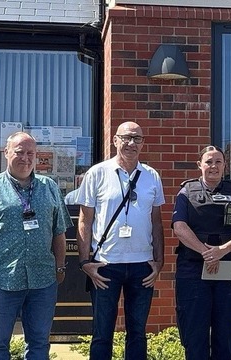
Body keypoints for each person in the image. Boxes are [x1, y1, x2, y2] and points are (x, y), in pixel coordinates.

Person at [0, 131, 71, 360]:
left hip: (43, 279)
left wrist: (60, 267)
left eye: (31, 153)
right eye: (19, 152)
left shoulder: (49, 187)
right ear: (6, 152)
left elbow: (59, 231)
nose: (25, 158)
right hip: (1, 278)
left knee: (39, 343)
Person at [72, 121, 165, 360]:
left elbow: (156, 221)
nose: (132, 143)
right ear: (115, 140)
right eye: (126, 137)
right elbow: (84, 220)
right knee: (102, 333)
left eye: (137, 139)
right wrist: (85, 262)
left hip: (142, 265)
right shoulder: (97, 173)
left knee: (138, 333)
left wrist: (159, 260)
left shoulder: (151, 176)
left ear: (143, 143)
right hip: (105, 265)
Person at [171, 145, 231, 360]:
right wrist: (206, 253)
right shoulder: (185, 192)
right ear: (199, 165)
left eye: (218, 161)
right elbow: (179, 227)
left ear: (225, 165)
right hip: (192, 271)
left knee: (226, 336)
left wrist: (222, 250)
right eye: (209, 161)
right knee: (194, 335)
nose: (213, 166)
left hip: (229, 272)